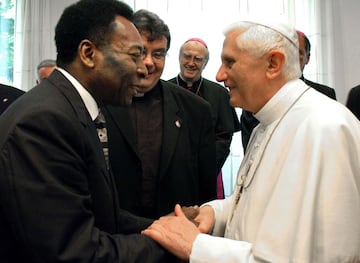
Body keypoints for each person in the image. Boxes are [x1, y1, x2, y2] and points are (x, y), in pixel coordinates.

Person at [142, 18, 360, 262]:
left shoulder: (325, 127)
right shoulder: (265, 123)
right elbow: (259, 204)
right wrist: (215, 213)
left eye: (230, 62)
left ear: (273, 64)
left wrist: (196, 246)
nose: (219, 74)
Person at [0, 0, 174, 262]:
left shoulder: (71, 109)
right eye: (134, 55)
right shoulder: (45, 122)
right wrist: (176, 246)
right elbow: (75, 252)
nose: (143, 68)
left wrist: (166, 227)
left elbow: (103, 214)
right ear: (88, 53)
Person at [102, 10, 217, 219]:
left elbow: (205, 191)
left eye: (158, 54)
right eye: (139, 52)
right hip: (113, 238)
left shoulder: (196, 110)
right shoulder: (99, 102)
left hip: (175, 237)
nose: (148, 62)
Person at [240, 30, 337, 151]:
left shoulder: (325, 94)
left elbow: (331, 140)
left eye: (298, 52)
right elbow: (251, 146)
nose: (291, 57)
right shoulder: (257, 96)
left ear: (308, 58)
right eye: (286, 52)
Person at [169, 38, 240, 198]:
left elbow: (224, 137)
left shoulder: (219, 94)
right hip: (171, 172)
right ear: (179, 58)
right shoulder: (164, 90)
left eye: (198, 59)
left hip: (208, 171)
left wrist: (203, 168)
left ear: (205, 63)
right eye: (187, 56)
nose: (191, 63)